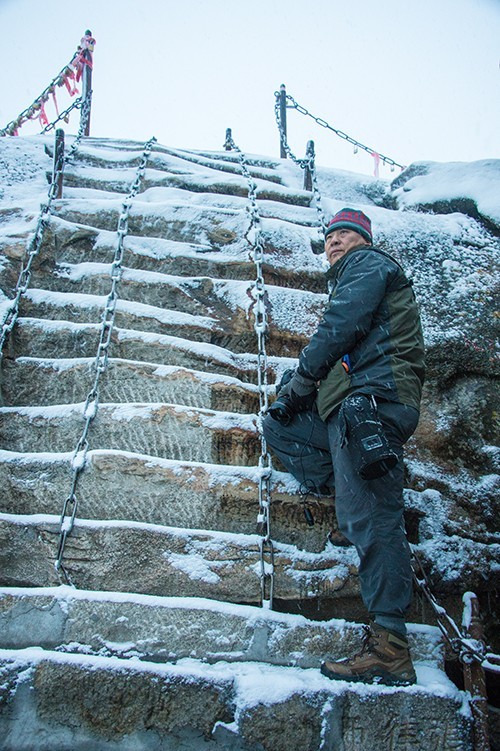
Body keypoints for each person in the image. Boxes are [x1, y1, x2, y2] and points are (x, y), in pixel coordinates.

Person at [263, 207, 425, 686]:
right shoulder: (355, 276)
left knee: (376, 518)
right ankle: (353, 507)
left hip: (373, 405)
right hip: (346, 410)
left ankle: (391, 647)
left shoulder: (370, 265)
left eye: (345, 235)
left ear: (364, 239)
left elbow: (341, 326)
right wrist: (296, 394)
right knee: (281, 428)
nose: (335, 243)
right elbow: (344, 343)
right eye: (330, 238)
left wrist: (304, 377)